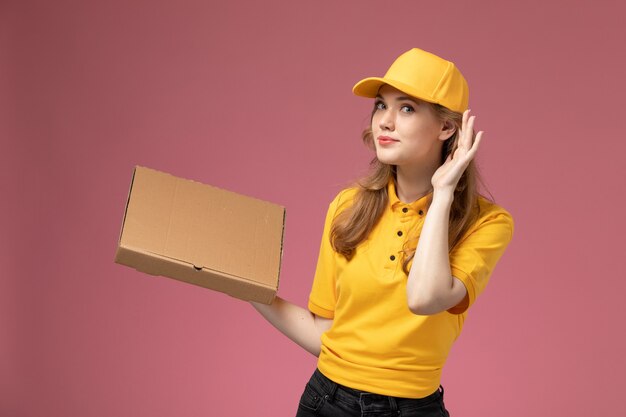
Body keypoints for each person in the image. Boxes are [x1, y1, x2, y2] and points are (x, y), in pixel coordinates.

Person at [251, 48, 514, 417]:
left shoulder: (487, 223)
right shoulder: (347, 206)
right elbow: (327, 336)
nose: (384, 122)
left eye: (406, 108)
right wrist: (244, 286)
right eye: (380, 106)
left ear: (447, 127)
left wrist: (441, 196)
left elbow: (424, 299)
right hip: (325, 402)